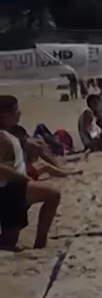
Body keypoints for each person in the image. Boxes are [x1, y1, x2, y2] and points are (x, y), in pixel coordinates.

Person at [0, 96, 61, 250]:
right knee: (53, 194)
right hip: (10, 191)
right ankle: (40, 243)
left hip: (15, 190)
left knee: (9, 241)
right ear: (3, 114)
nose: (19, 113)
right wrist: (22, 178)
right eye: (15, 110)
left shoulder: (10, 134)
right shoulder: (1, 137)